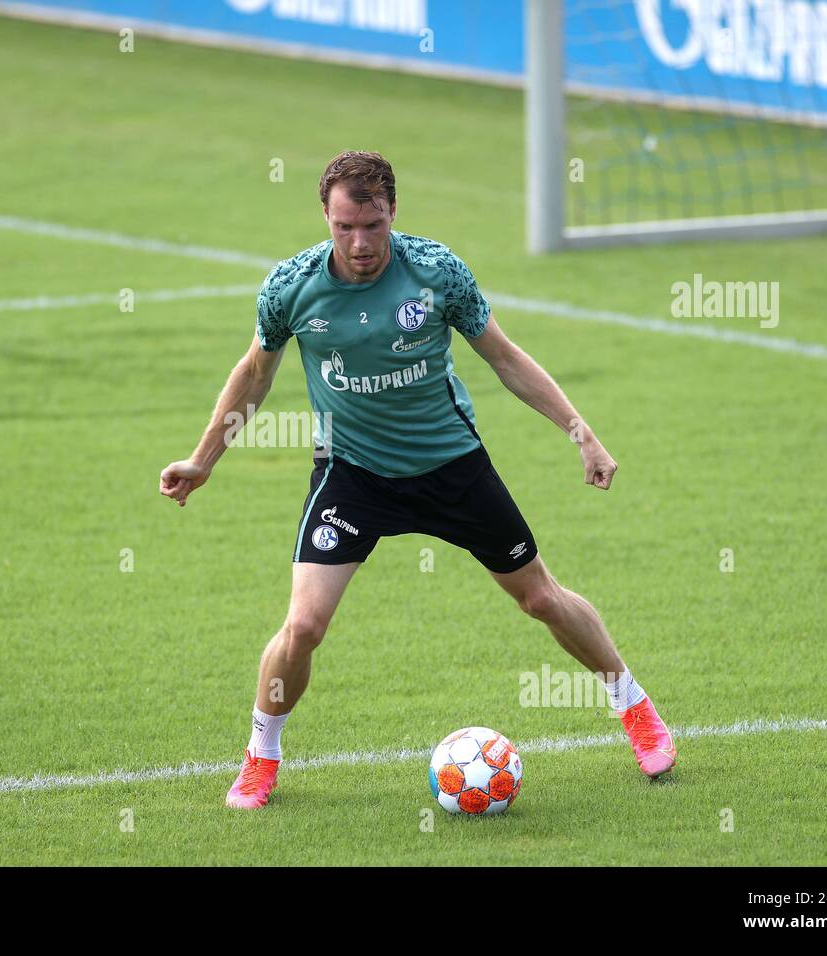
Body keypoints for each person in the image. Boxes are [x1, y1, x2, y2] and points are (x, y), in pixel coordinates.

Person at [159, 150, 675, 809]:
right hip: (352, 475)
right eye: (345, 226)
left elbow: (506, 359)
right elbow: (254, 374)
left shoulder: (436, 272)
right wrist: (203, 460)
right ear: (325, 216)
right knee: (305, 625)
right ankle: (261, 757)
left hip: (449, 464)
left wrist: (582, 433)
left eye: (372, 225)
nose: (360, 242)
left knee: (540, 598)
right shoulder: (291, 287)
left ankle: (634, 708)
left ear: (393, 213)